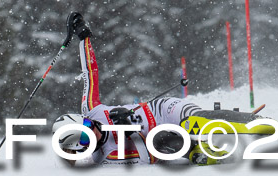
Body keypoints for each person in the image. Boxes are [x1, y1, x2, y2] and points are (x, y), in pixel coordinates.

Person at [52, 13, 254, 166]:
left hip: (160, 109)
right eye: (86, 135)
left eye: (87, 123)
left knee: (193, 118)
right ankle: (204, 153)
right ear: (82, 148)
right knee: (161, 138)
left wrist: (83, 36)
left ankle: (243, 121)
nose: (93, 128)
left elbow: (90, 72)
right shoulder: (106, 157)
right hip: (163, 138)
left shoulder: (91, 109)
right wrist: (127, 134)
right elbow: (149, 155)